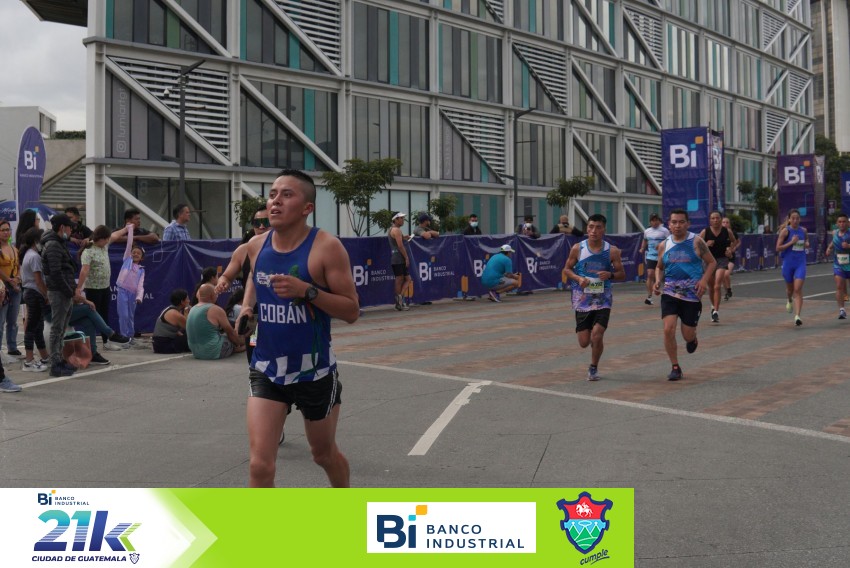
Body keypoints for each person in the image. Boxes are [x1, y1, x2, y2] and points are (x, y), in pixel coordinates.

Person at [238, 168, 359, 488]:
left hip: (314, 371)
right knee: (260, 465)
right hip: (267, 368)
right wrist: (248, 307)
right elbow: (253, 277)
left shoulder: (326, 248)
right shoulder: (256, 245)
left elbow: (351, 311)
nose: (275, 201)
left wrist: (307, 291)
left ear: (307, 208)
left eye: (287, 195)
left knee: (323, 454)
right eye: (272, 194)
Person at [654, 209, 716, 381]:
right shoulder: (664, 245)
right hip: (670, 292)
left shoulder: (696, 242)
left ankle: (692, 339)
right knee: (668, 329)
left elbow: (712, 263)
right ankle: (675, 367)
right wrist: (657, 281)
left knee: (687, 334)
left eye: (681, 222)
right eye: (674, 222)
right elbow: (659, 267)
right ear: (669, 224)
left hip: (691, 294)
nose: (678, 225)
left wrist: (703, 281)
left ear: (688, 224)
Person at [562, 214, 625, 381]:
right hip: (582, 299)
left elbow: (622, 274)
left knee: (597, 334)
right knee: (584, 342)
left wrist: (610, 275)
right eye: (591, 227)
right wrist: (578, 278)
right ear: (587, 229)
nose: (594, 231)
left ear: (604, 229)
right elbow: (566, 269)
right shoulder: (578, 248)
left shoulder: (611, 251)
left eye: (598, 227)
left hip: (603, 298)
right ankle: (594, 343)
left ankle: (593, 367)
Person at [41, 214, 82, 377]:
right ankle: (55, 363)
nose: (71, 230)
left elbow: (65, 269)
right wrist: (69, 291)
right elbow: (56, 273)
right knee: (57, 328)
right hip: (59, 292)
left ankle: (59, 359)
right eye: (69, 227)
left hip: (63, 291)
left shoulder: (59, 243)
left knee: (62, 328)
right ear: (62, 227)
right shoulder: (53, 245)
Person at [77, 225, 129, 352]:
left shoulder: (104, 246)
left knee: (104, 314)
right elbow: (84, 270)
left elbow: (115, 236)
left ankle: (106, 342)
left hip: (105, 287)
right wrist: (79, 288)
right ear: (100, 238)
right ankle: (91, 344)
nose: (107, 241)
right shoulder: (88, 251)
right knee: (94, 316)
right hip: (93, 289)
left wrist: (126, 229)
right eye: (106, 239)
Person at [18, 227, 49, 372]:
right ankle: (29, 361)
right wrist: (46, 294)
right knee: (32, 327)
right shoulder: (34, 256)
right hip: (34, 293)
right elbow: (38, 280)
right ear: (36, 241)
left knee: (37, 327)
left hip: (31, 293)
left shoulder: (29, 254)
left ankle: (45, 356)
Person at [186, 284, 244, 360]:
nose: (217, 296)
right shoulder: (215, 309)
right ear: (212, 296)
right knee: (231, 337)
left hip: (196, 352)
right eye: (216, 294)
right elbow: (230, 333)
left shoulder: (192, 309)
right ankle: (241, 348)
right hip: (213, 351)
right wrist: (241, 343)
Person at [699, 211, 737, 323]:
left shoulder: (727, 231)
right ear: (710, 220)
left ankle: (716, 311)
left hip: (721, 260)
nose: (715, 220)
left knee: (717, 286)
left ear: (721, 219)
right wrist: (706, 244)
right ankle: (713, 306)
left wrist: (730, 249)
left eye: (717, 218)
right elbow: (697, 246)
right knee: (711, 287)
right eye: (713, 218)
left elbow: (734, 241)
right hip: (708, 261)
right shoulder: (705, 232)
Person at [69, 299, 131, 365]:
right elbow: (75, 296)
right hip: (63, 312)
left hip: (69, 310)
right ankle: (111, 334)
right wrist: (86, 301)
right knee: (89, 307)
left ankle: (92, 353)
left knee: (88, 322)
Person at [776, 209, 808, 326]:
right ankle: (789, 300)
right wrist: (791, 242)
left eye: (797, 218)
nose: (795, 220)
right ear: (789, 219)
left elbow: (806, 241)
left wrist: (806, 243)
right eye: (793, 218)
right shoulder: (785, 231)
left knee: (797, 289)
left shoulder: (803, 231)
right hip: (788, 264)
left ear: (800, 219)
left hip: (800, 263)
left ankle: (797, 316)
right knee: (790, 290)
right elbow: (778, 248)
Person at [115, 224, 146, 339]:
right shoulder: (126, 260)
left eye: (138, 253)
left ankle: (130, 336)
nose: (135, 254)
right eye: (134, 252)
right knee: (123, 315)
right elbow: (129, 244)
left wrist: (139, 297)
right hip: (122, 291)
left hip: (133, 295)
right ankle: (124, 336)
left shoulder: (141, 270)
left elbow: (140, 286)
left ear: (142, 258)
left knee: (130, 316)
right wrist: (130, 230)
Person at [0, 219, 23, 361]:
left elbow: (19, 266)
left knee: (13, 320)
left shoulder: (14, 248)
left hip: (15, 286)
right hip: (2, 287)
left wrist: (18, 279)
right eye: (3, 230)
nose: (6, 232)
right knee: (1, 320)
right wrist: (9, 280)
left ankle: (12, 347)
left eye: (8, 229)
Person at [639, 213, 670, 306]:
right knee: (650, 274)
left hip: (662, 256)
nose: (654, 222)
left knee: (660, 277)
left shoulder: (664, 231)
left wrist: (662, 246)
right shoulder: (647, 231)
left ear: (659, 221)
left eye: (656, 220)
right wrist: (642, 248)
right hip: (651, 256)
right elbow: (645, 240)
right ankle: (649, 296)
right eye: (652, 220)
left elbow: (670, 240)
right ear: (650, 222)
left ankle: (663, 292)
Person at [825, 213, 850, 320]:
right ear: (837, 223)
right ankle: (842, 310)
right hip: (838, 264)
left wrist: (848, 246)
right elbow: (833, 242)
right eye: (840, 222)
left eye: (844, 221)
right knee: (839, 285)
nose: (842, 224)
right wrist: (829, 248)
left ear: (848, 223)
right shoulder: (835, 233)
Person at [152, 289, 192, 354]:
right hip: (165, 346)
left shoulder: (168, 309)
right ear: (182, 302)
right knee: (193, 336)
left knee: (183, 333)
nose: (189, 301)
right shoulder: (176, 314)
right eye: (187, 299)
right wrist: (188, 312)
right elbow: (190, 328)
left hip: (157, 344)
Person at [388, 211, 411, 311]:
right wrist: (406, 257)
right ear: (395, 219)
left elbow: (396, 240)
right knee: (399, 280)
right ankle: (398, 303)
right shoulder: (396, 230)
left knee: (407, 279)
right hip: (398, 258)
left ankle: (400, 300)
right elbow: (400, 246)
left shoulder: (392, 229)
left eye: (403, 218)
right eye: (401, 218)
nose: (403, 220)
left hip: (397, 257)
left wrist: (404, 237)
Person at [721, 217, 739, 301]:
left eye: (727, 222)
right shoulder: (718, 233)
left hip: (730, 257)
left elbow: (738, 241)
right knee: (722, 276)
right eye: (723, 222)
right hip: (721, 257)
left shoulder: (732, 233)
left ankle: (728, 289)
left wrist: (733, 248)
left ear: (729, 224)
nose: (725, 224)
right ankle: (727, 291)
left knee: (726, 274)